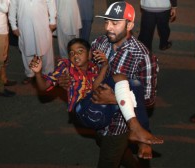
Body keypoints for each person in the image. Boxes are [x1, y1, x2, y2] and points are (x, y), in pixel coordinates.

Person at [60, 2, 160, 167]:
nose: (108, 27)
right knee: (111, 147)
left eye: (115, 23)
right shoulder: (99, 43)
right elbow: (87, 71)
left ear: (130, 25)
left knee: (108, 159)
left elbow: (148, 100)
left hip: (119, 125)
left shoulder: (142, 56)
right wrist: (68, 80)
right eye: (106, 21)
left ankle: (138, 137)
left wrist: (115, 99)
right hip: (96, 113)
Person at [29, 37, 162, 144]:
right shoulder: (65, 66)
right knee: (120, 79)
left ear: (89, 54)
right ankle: (135, 128)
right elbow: (43, 87)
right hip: (83, 111)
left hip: (99, 114)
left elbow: (96, 88)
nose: (75, 55)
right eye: (71, 53)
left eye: (80, 51)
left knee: (135, 84)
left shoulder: (94, 69)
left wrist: (104, 66)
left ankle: (142, 135)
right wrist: (38, 73)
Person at [8, 0, 56, 84]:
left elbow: (51, 3)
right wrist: (13, 26)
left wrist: (52, 20)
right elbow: (12, 8)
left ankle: (48, 73)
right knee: (27, 49)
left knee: (46, 49)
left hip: (43, 24)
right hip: (24, 25)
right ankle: (30, 74)